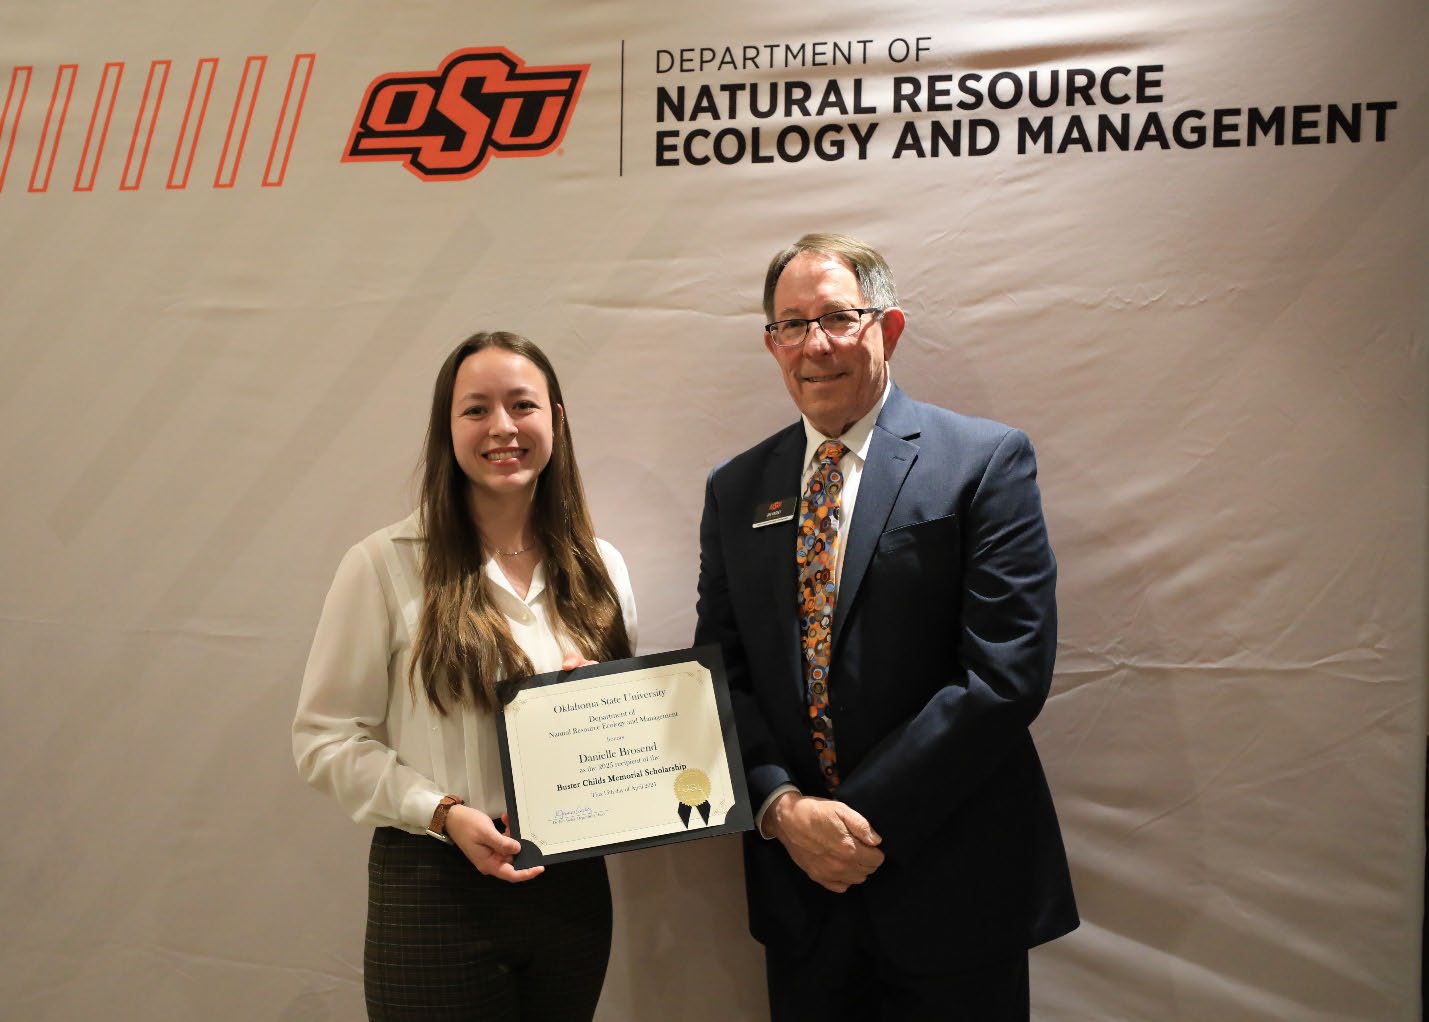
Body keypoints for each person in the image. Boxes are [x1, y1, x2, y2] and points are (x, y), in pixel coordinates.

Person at [695, 234, 1078, 1020]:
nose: (815, 345)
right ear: (771, 344)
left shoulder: (982, 461)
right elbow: (721, 672)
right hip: (801, 892)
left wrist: (856, 823)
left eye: (838, 317)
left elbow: (1005, 673)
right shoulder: (737, 490)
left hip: (954, 886)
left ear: (888, 328)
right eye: (791, 324)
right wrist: (782, 811)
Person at [293, 331, 636, 1021]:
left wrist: (609, 702)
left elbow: (630, 739)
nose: (502, 427)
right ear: (447, 429)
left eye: (522, 405)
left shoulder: (601, 567)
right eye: (476, 410)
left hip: (570, 889)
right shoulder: (383, 565)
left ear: (556, 421)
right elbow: (325, 741)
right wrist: (443, 814)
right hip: (433, 888)